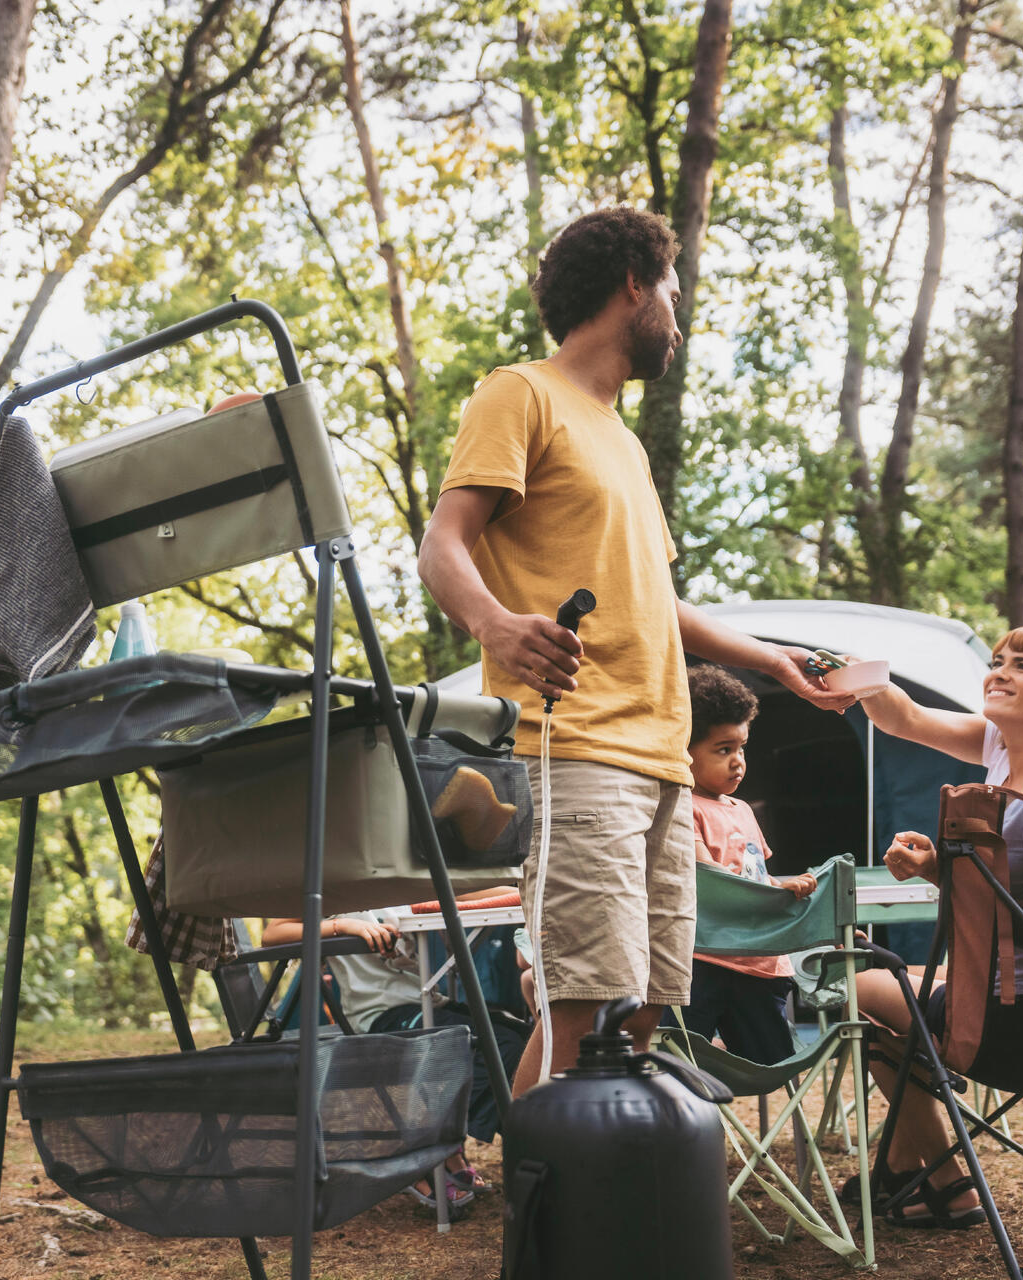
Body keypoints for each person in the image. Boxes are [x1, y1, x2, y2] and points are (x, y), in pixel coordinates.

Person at [416, 207, 852, 1095]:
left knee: (649, 1003)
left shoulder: (622, 441)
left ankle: (590, 1188)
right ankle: (548, 1216)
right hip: (576, 748)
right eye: (674, 293)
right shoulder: (521, 394)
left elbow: (658, 602)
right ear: (632, 285)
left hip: (660, 761)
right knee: (582, 999)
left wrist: (772, 662)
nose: (680, 316)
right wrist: (498, 626)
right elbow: (443, 544)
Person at [844, 625, 1023, 1229]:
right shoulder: (1002, 749)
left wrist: (944, 870)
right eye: (997, 661)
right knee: (893, 992)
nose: (996, 672)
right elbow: (905, 719)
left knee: (855, 991)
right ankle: (907, 1175)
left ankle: (943, 1178)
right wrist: (857, 681)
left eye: (1021, 666)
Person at [259, 897, 527, 1218]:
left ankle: (444, 1143)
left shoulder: (402, 878)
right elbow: (272, 933)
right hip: (382, 1013)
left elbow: (476, 890)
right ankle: (428, 1149)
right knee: (494, 1045)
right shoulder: (335, 878)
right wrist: (342, 926)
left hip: (426, 1000)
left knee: (518, 1037)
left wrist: (530, 883)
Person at [682, 664, 817, 1062]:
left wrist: (779, 886)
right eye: (723, 750)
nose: (738, 761)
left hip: (760, 962)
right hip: (706, 960)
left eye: (741, 748)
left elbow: (753, 874)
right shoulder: (682, 807)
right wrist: (779, 890)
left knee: (773, 1058)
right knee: (688, 1059)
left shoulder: (742, 809)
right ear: (681, 751)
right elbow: (711, 880)